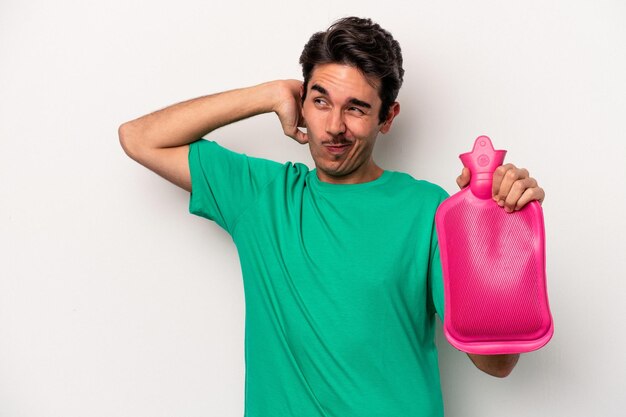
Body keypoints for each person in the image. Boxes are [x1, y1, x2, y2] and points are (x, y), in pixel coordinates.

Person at [119, 16, 545, 417]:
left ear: (387, 117)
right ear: (302, 102)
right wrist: (266, 94)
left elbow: (497, 364)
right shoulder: (262, 195)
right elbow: (139, 139)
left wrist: (494, 229)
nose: (334, 126)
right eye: (320, 101)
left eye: (356, 108)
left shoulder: (429, 210)